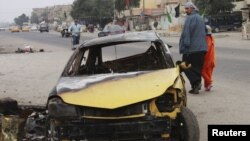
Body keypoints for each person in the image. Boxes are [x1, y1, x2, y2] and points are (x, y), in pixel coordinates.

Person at [179, 2, 207, 94]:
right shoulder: (200, 18)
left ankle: (196, 83)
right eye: (185, 8)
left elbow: (186, 34)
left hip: (191, 49)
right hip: (202, 49)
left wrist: (185, 47)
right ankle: (195, 86)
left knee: (183, 65)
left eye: (187, 8)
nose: (185, 10)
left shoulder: (190, 18)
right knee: (197, 68)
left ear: (192, 8)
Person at [202, 25, 216, 91]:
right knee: (208, 72)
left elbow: (206, 48)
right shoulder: (212, 37)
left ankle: (209, 82)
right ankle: (207, 86)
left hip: (207, 58)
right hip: (212, 58)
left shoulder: (207, 38)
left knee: (202, 71)